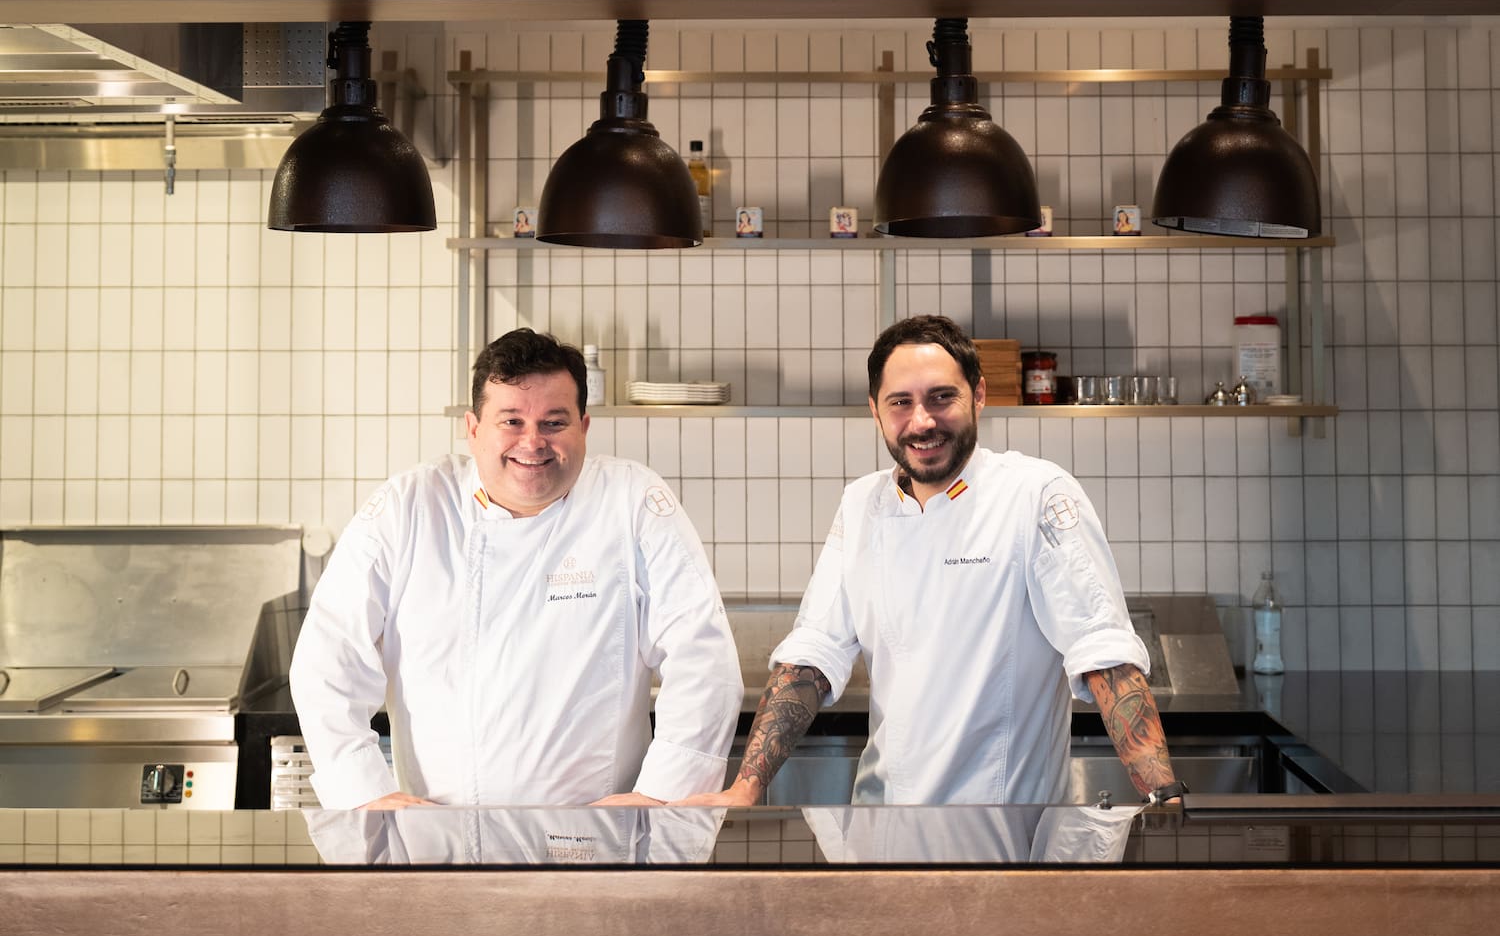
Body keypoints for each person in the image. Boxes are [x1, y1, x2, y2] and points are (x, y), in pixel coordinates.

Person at [686, 314, 1184, 810]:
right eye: (901, 402)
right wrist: (744, 789)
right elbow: (812, 656)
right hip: (882, 830)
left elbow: (1104, 654)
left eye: (942, 397)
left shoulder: (1034, 494)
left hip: (1005, 836)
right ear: (876, 412)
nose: (922, 421)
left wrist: (1163, 796)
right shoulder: (863, 504)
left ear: (979, 396)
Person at [290, 328, 743, 809]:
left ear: (584, 427)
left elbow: (704, 661)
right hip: (438, 839)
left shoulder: (632, 501)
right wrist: (365, 795)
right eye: (511, 421)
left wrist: (659, 796)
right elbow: (327, 660)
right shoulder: (411, 507)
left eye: (554, 422)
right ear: (473, 428)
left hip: (599, 842)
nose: (533, 442)